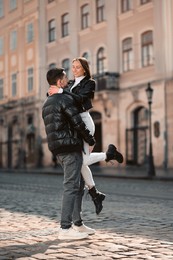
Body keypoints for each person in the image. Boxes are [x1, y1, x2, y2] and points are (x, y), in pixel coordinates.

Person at [48, 57, 124, 215]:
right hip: (72, 123)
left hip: (84, 120)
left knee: (81, 160)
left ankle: (109, 154)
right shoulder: (69, 84)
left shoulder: (90, 83)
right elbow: (62, 98)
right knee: (81, 162)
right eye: (73, 67)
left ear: (84, 69)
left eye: (77, 67)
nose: (74, 69)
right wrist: (52, 91)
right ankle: (95, 194)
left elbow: (81, 99)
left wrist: (61, 92)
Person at [42, 68, 96, 240]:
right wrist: (91, 140)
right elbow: (78, 123)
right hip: (70, 147)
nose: (68, 80)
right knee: (71, 187)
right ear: (59, 82)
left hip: (58, 149)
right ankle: (65, 228)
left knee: (78, 186)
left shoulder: (47, 102)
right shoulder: (64, 98)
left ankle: (78, 224)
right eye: (65, 78)